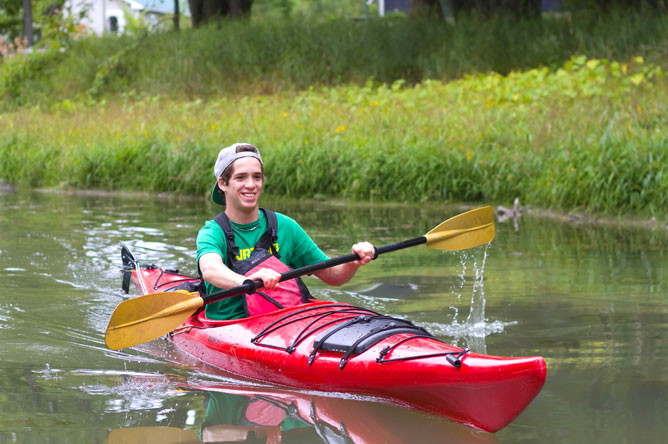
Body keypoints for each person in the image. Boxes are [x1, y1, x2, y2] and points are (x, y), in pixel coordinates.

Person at [197, 143, 376, 320]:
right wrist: (247, 282)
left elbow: (332, 276)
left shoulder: (286, 226)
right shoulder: (212, 232)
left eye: (257, 177)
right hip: (228, 325)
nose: (251, 185)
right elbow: (211, 269)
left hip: (284, 323)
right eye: (241, 177)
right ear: (223, 183)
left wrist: (354, 260)